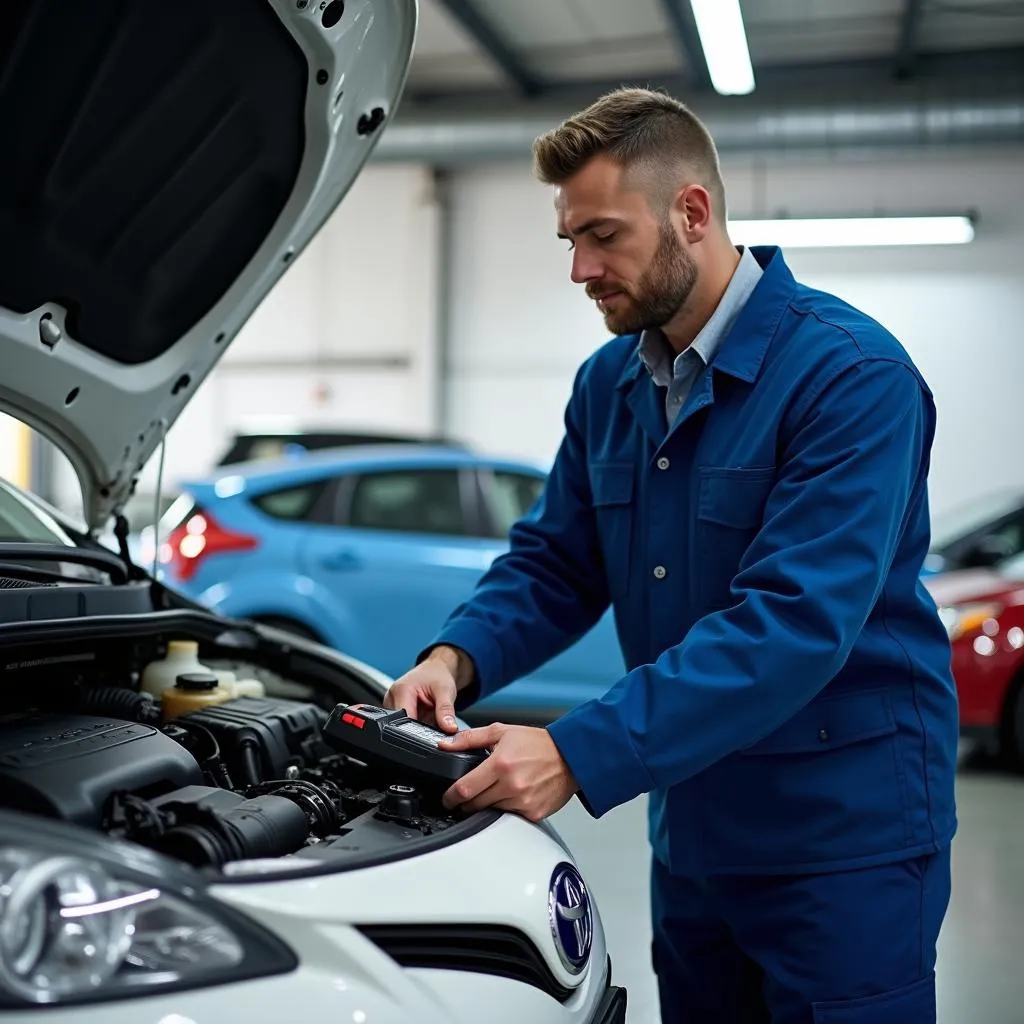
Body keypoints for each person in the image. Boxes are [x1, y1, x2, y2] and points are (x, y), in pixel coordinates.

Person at [383, 87, 958, 1024]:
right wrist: (457, 656)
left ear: (691, 213)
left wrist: (575, 750)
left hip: (842, 843)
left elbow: (793, 624)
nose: (580, 268)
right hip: (691, 828)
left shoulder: (852, 378)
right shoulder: (610, 384)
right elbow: (555, 563)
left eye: (603, 235)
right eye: (569, 239)